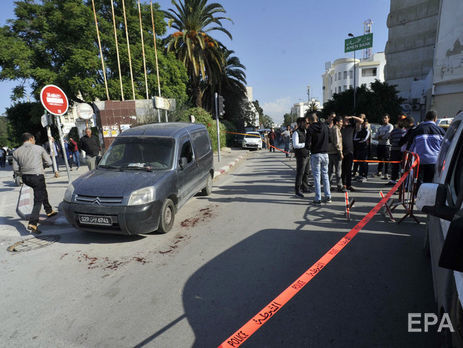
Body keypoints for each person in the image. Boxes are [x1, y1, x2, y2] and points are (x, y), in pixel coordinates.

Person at [12, 133, 57, 234]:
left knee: (41, 191)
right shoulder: (39, 148)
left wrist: (23, 172)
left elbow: (15, 169)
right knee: (38, 199)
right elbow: (49, 162)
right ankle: (33, 223)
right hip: (37, 175)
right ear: (31, 139)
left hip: (25, 178)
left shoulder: (16, 152)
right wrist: (42, 166)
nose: (34, 141)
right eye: (34, 139)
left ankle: (49, 210)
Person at [409, 110, 445, 187]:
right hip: (434, 161)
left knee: (419, 181)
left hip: (419, 160)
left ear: (425, 118)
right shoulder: (440, 130)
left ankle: (418, 197)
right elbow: (445, 146)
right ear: (435, 119)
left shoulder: (417, 130)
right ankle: (428, 197)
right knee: (430, 182)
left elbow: (410, 147)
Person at [306, 113, 331, 204]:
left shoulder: (310, 128)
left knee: (316, 176)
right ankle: (328, 196)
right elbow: (330, 139)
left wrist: (310, 147)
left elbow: (307, 144)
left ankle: (318, 198)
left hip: (316, 154)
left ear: (309, 120)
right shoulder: (325, 126)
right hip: (325, 153)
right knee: (325, 175)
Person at [341, 115, 363, 192]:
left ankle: (349, 185)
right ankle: (343, 184)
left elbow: (361, 121)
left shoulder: (351, 127)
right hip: (341, 151)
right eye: (345, 120)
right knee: (342, 169)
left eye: (347, 120)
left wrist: (351, 117)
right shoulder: (339, 128)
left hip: (350, 151)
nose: (346, 122)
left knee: (349, 169)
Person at [292, 117, 310, 198]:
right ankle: (297, 190)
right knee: (300, 173)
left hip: (307, 154)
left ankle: (305, 187)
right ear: (300, 123)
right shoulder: (296, 133)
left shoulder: (305, 131)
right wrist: (305, 145)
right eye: (305, 123)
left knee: (306, 172)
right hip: (300, 156)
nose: (306, 124)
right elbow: (295, 145)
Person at [387, 116, 408, 185]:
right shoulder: (394, 131)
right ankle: (393, 179)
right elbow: (390, 140)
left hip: (403, 152)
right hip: (395, 150)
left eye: (403, 121)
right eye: (400, 120)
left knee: (403, 167)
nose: (401, 122)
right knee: (394, 166)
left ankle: (402, 181)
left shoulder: (406, 131)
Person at [328, 116, 343, 192]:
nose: (342, 123)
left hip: (329, 152)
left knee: (330, 171)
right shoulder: (336, 129)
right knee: (338, 170)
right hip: (336, 152)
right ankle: (339, 186)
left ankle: (329, 186)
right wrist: (340, 152)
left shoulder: (331, 129)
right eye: (341, 122)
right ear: (337, 122)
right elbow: (337, 142)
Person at [376, 114, 394, 179]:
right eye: (383, 118)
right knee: (380, 159)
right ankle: (379, 171)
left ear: (388, 119)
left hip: (386, 145)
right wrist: (380, 136)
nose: (384, 119)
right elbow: (376, 136)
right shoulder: (380, 127)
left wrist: (381, 136)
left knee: (386, 159)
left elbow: (388, 134)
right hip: (380, 144)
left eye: (385, 118)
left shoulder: (390, 126)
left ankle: (386, 173)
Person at [353, 118, 371, 182]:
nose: (364, 125)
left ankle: (365, 176)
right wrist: (360, 139)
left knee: (365, 163)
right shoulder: (360, 131)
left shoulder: (368, 131)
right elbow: (355, 138)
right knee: (360, 162)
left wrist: (360, 140)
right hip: (359, 148)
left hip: (365, 149)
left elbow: (365, 139)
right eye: (363, 124)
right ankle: (360, 175)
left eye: (366, 124)